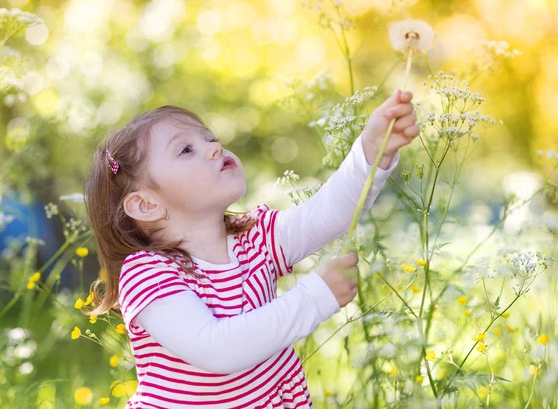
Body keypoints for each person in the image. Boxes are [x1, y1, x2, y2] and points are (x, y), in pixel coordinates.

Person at [84, 89, 419, 408]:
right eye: (186, 150)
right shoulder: (148, 274)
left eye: (210, 139)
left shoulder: (256, 238)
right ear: (145, 205)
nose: (215, 149)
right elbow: (216, 350)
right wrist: (315, 297)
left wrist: (373, 149)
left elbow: (328, 213)